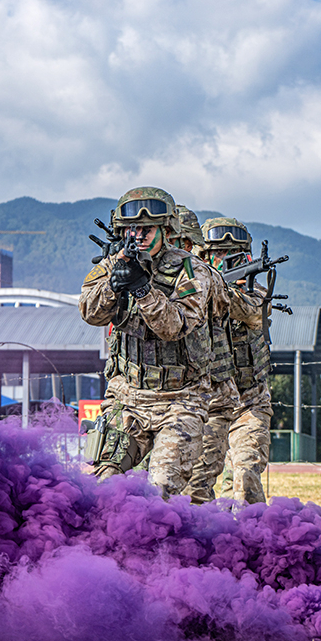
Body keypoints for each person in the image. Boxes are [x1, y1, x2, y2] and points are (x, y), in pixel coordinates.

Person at [79, 187, 214, 496]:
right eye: (131, 228)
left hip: (180, 400)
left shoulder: (190, 269)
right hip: (127, 398)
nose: (137, 235)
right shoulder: (114, 263)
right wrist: (114, 284)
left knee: (161, 491)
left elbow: (175, 325)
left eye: (146, 229)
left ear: (166, 230)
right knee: (102, 484)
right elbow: (89, 311)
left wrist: (142, 288)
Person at [197, 216, 274, 504]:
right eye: (218, 253)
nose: (226, 259)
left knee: (245, 478)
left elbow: (254, 312)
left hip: (248, 402)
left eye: (235, 254)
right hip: (208, 405)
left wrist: (225, 289)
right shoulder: (191, 293)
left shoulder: (256, 294)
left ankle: (249, 541)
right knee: (196, 484)